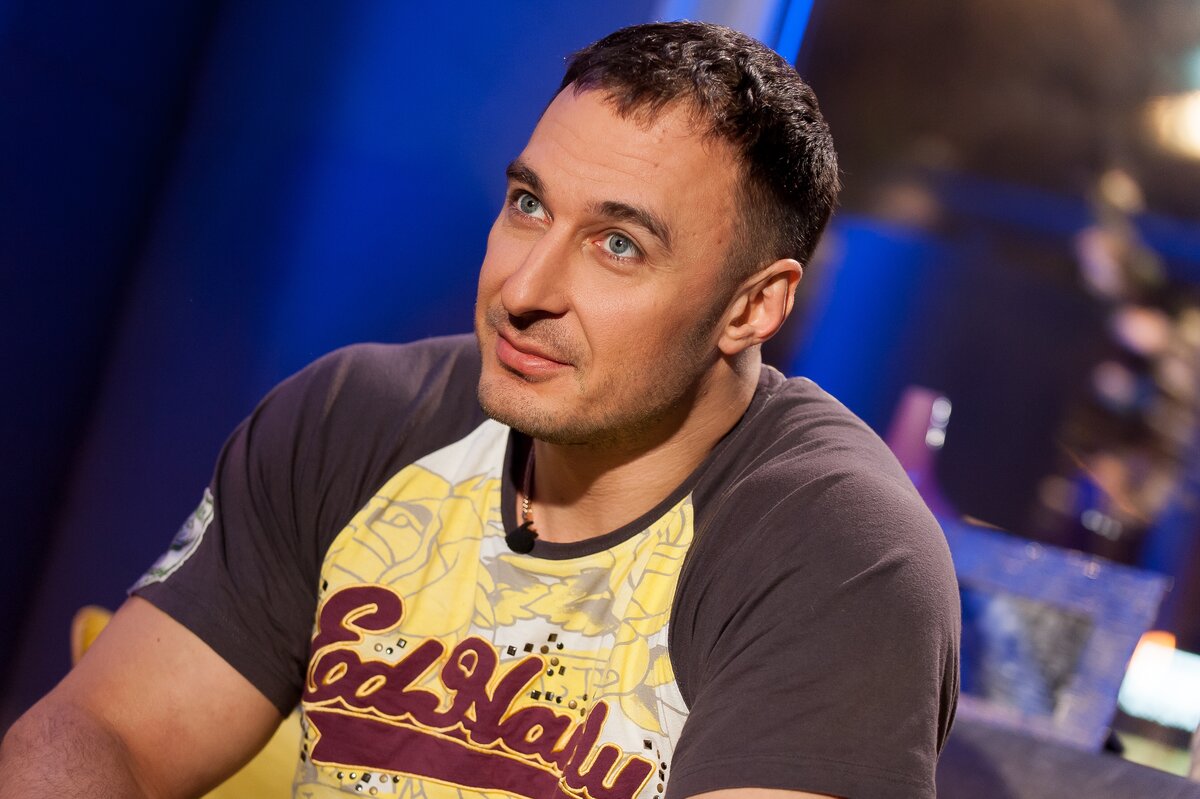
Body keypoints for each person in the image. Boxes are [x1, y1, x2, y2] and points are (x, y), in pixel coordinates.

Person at [0, 20, 958, 799]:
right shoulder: (356, 420)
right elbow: (107, 730)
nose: (524, 288)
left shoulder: (840, 555)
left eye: (618, 245)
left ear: (753, 307)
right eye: (529, 205)